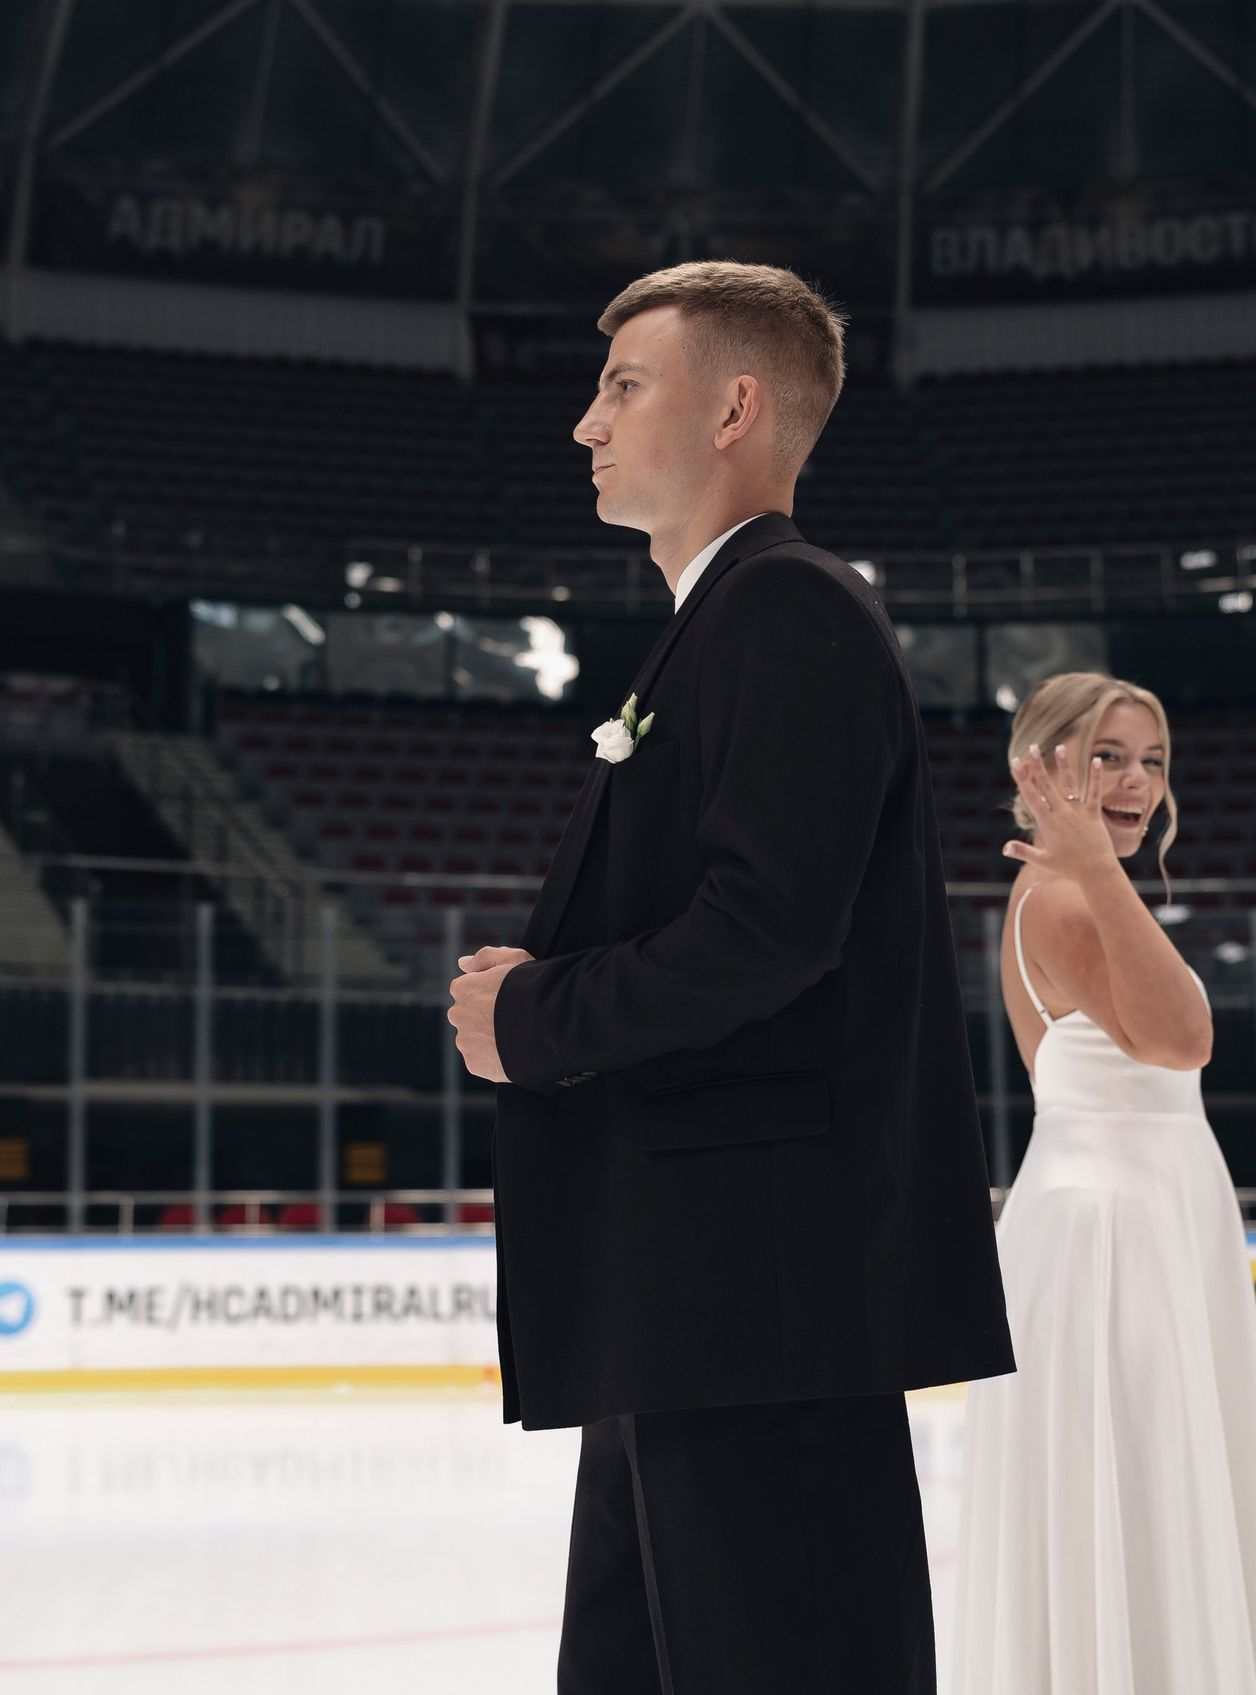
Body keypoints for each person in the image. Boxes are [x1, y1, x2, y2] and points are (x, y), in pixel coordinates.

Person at [446, 260, 1013, 1695]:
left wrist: (532, 1018)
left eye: (623, 386)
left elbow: (767, 927)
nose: (585, 422)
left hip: (755, 1292)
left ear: (735, 408)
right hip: (694, 1289)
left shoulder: (786, 610)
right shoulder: (725, 620)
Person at [952, 672, 1256, 1695]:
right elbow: (1179, 1038)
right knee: (1144, 1487)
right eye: (1106, 756)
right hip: (1114, 1228)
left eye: (1151, 760)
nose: (1137, 781)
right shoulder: (1068, 897)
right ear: (1043, 768)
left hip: (1130, 1209)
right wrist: (1103, 878)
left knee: (1144, 1491)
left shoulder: (1069, 893)